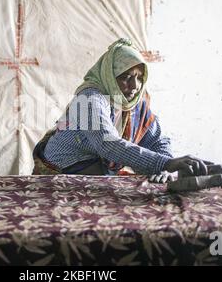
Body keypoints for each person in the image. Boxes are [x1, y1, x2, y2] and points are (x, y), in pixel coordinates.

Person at [33, 38, 212, 182]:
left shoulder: (135, 102)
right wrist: (165, 163)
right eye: (126, 77)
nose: (135, 85)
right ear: (108, 76)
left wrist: (164, 166)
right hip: (62, 169)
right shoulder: (89, 98)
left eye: (140, 77)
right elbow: (108, 143)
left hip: (100, 172)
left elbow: (157, 140)